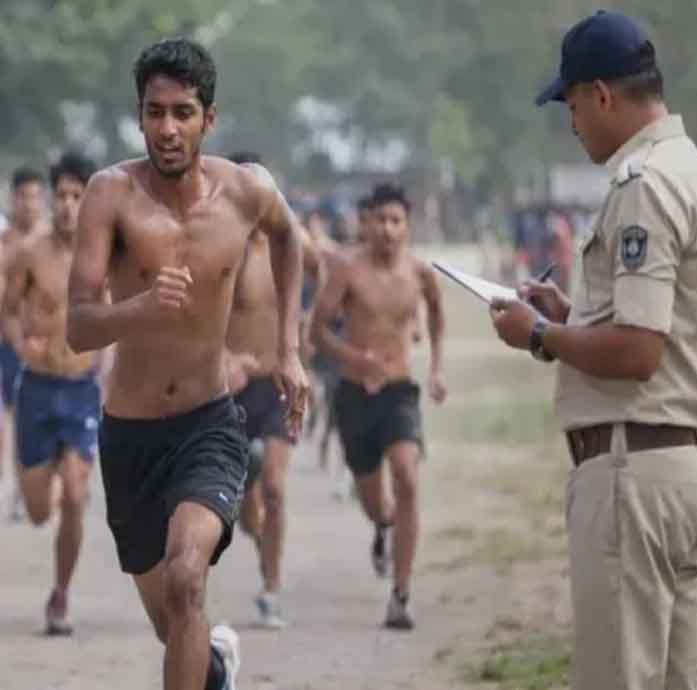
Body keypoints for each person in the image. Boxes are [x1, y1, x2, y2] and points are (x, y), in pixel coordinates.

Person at [66, 38, 307, 690]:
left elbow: (290, 240)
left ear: (209, 119)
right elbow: (78, 328)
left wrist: (288, 350)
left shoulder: (246, 192)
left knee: (186, 579)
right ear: (139, 116)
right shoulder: (109, 196)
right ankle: (216, 668)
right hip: (130, 436)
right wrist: (140, 307)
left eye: (182, 113)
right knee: (173, 622)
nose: (168, 129)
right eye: (155, 112)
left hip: (208, 424)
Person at [490, 11, 697, 690]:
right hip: (682, 463)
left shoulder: (642, 186)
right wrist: (573, 316)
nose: (573, 123)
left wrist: (539, 334)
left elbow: (639, 351)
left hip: (633, 474)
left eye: (572, 105)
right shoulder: (689, 169)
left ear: (602, 95)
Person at [311, 182, 447, 630]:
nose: (388, 229)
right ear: (367, 225)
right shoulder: (347, 269)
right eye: (381, 220)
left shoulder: (420, 273)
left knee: (407, 476)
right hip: (355, 395)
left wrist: (437, 369)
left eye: (396, 221)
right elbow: (317, 332)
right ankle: (383, 525)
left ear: (407, 226)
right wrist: (355, 359)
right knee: (374, 500)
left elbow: (437, 314)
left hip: (399, 390)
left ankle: (401, 595)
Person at [3, 152, 99, 634]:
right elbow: (7, 309)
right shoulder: (30, 253)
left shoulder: (103, 254)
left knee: (76, 496)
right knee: (40, 511)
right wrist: (23, 345)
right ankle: (47, 480)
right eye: (61, 195)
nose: (67, 205)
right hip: (38, 389)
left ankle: (61, 594)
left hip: (81, 389)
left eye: (77, 196)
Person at [226, 150, 321, 629]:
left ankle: (271, 588)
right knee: (247, 508)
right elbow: (192, 315)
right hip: (235, 390)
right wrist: (223, 357)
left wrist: (308, 328)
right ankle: (259, 536)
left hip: (278, 384)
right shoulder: (220, 247)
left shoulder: (291, 239)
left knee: (277, 488)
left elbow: (324, 270)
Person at [0, 166, 49, 519]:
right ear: (12, 198)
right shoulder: (4, 243)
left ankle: (22, 490)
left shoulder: (51, 242)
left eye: (34, 197)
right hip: (3, 344)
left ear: (42, 199)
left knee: (23, 425)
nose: (28, 204)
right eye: (22, 197)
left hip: (32, 348)